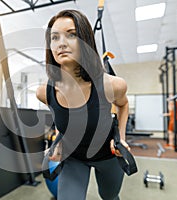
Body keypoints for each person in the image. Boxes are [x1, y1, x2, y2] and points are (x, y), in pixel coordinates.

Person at [36, 10, 130, 200]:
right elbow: (67, 120)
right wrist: (58, 141)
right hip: (74, 158)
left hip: (108, 157)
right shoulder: (44, 92)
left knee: (109, 196)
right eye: (55, 38)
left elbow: (123, 105)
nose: (61, 43)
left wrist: (121, 138)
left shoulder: (112, 85)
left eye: (71, 35)